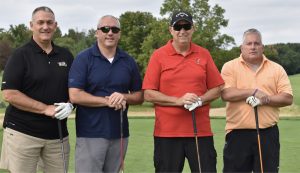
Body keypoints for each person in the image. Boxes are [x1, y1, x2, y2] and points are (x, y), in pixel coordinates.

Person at [142, 11, 224, 172]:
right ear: (171, 30)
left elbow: (217, 89)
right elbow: (148, 93)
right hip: (167, 133)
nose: (182, 31)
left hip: (200, 132)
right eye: (177, 27)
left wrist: (199, 100)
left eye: (186, 26)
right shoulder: (158, 56)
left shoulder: (204, 54)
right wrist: (178, 101)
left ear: (193, 29)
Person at [0, 6, 74, 173]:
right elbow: (9, 94)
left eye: (49, 22)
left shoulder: (66, 55)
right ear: (31, 25)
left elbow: (75, 88)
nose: (45, 27)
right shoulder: (20, 55)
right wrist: (44, 108)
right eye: (40, 22)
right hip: (23, 133)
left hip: (58, 135)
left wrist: (71, 104)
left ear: (55, 26)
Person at [68, 15, 143, 173]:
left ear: (119, 34)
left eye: (114, 29)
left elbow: (139, 96)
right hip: (90, 133)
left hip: (120, 133)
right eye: (105, 29)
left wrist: (124, 96)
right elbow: (75, 95)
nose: (110, 33)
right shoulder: (83, 59)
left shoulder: (128, 61)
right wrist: (107, 101)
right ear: (97, 33)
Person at [221, 28, 293, 172]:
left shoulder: (276, 68)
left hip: (268, 133)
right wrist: (253, 92)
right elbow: (226, 94)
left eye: (256, 43)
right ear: (242, 47)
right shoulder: (230, 67)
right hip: (237, 134)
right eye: (248, 44)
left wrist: (264, 100)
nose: (253, 47)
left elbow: (287, 97)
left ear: (262, 47)